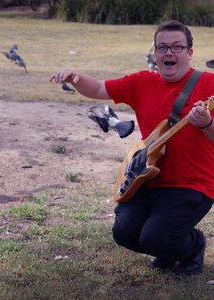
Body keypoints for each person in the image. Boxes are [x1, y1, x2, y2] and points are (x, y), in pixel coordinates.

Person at [50, 20, 214, 275]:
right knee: (124, 234)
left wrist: (207, 124)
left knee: (155, 239)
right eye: (162, 47)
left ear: (190, 53)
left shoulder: (209, 85)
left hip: (191, 184)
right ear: (155, 54)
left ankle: (192, 246)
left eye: (176, 47)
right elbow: (99, 88)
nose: (168, 53)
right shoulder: (141, 82)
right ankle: (169, 247)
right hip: (146, 178)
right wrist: (76, 77)